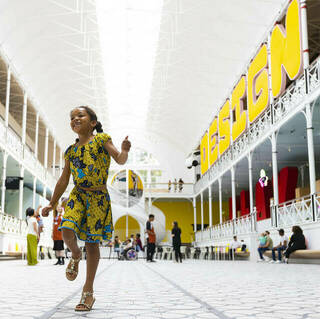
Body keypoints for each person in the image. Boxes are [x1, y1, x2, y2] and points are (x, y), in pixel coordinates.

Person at [41, 106, 131, 312]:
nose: (75, 119)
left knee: (92, 244)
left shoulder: (101, 139)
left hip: (98, 199)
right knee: (66, 228)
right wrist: (52, 203)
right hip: (78, 195)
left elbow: (119, 159)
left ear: (92, 122)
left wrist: (125, 149)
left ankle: (88, 291)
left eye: (80, 115)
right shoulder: (70, 151)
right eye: (72, 118)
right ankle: (74, 254)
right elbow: (64, 180)